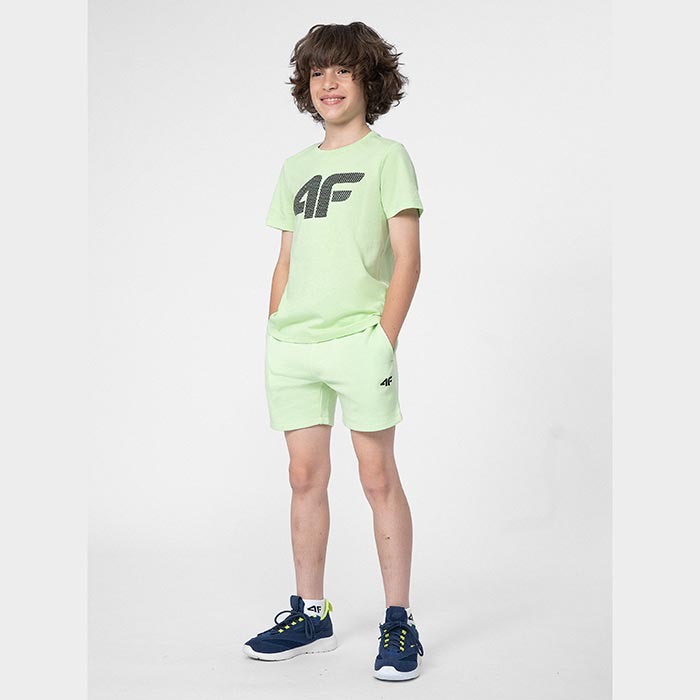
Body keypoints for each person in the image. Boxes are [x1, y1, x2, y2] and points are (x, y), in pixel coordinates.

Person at [242, 21, 425, 682]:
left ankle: (399, 620)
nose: (328, 83)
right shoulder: (295, 167)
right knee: (303, 478)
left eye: (342, 70)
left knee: (377, 478)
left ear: (368, 80)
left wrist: (383, 339)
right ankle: (311, 615)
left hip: (358, 344)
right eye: (318, 72)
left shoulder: (388, 157)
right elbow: (285, 259)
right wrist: (275, 329)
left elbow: (408, 258)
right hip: (293, 347)